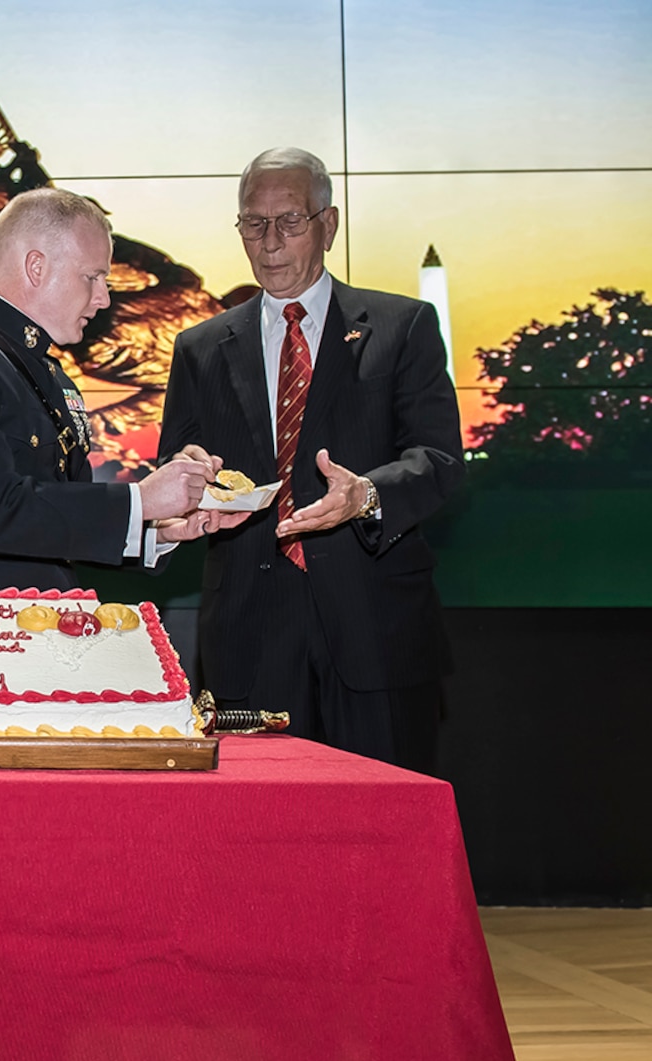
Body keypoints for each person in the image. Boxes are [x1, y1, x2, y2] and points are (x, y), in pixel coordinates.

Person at [158, 147, 464, 771]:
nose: (269, 242)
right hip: (249, 634)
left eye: (290, 222)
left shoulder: (402, 327)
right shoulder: (200, 349)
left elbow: (438, 459)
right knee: (259, 845)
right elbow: (175, 468)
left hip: (376, 627)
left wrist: (366, 496)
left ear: (329, 224)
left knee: (384, 836)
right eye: (253, 223)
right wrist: (188, 480)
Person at [0, 186, 237, 589]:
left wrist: (158, 530)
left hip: (46, 615)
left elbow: (55, 515)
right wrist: (143, 500)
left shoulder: (49, 375)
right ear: (36, 267)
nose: (103, 298)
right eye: (93, 277)